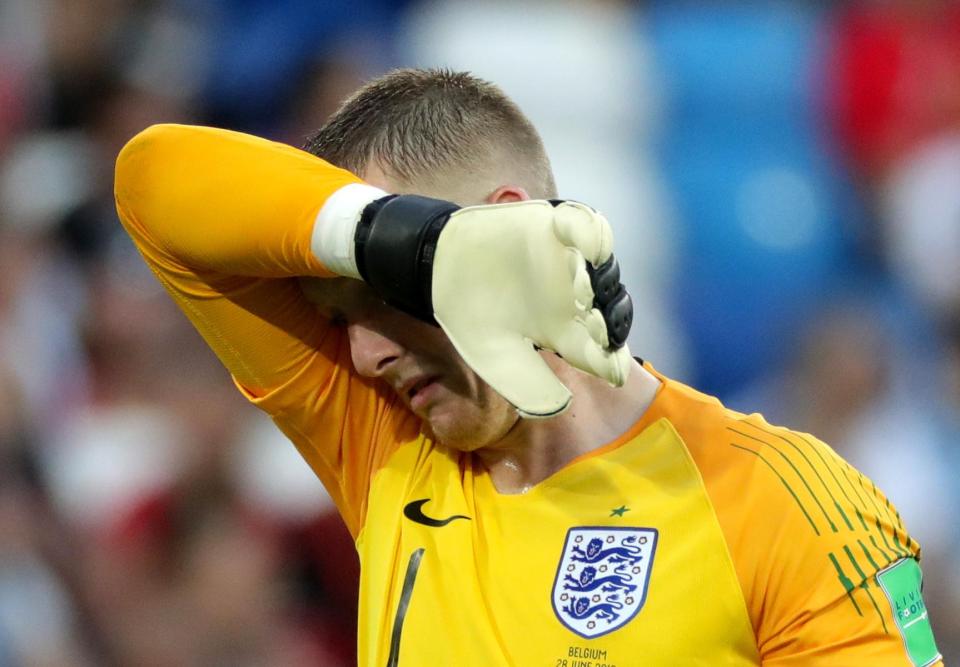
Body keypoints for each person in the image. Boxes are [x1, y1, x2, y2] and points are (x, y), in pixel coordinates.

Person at [114, 69, 942, 665]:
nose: (362, 352)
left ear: (506, 229)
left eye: (387, 295)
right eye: (342, 316)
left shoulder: (779, 499)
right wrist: (392, 242)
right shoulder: (384, 440)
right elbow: (150, 183)